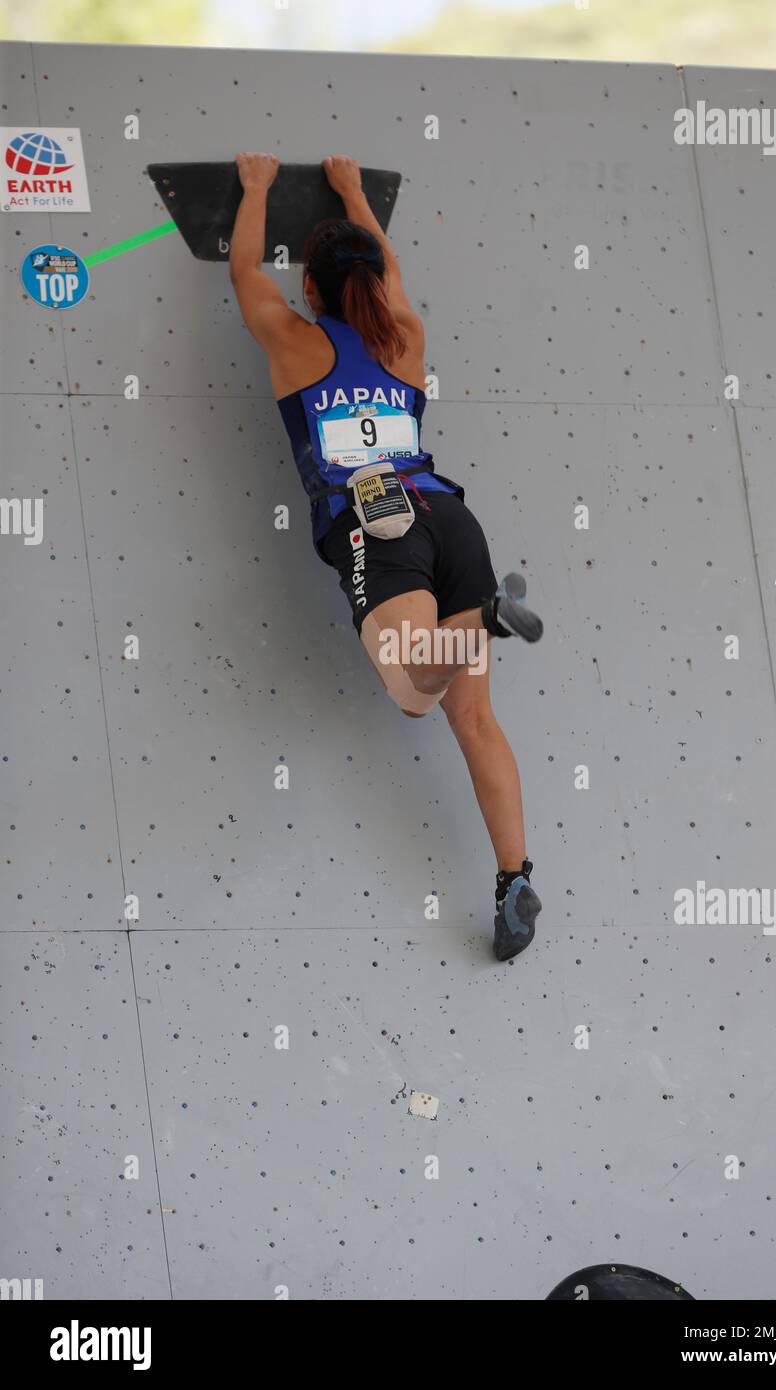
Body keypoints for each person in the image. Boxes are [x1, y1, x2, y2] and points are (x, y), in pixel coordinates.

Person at [228, 151, 543, 961]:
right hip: (450, 513)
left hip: (378, 522)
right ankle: (514, 879)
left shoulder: (294, 341)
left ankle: (481, 618)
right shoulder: (406, 335)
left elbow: (241, 270)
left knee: (411, 690)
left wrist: (257, 189)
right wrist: (354, 190)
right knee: (473, 717)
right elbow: (389, 268)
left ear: (310, 290)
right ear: (374, 282)